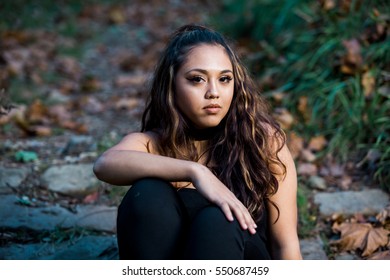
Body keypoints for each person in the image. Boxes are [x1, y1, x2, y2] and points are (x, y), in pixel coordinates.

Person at [93, 24, 302, 260]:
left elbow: (285, 246)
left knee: (219, 218)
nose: (213, 92)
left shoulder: (263, 141)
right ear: (171, 86)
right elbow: (105, 164)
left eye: (224, 79)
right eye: (197, 79)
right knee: (148, 192)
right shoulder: (155, 143)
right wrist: (196, 172)